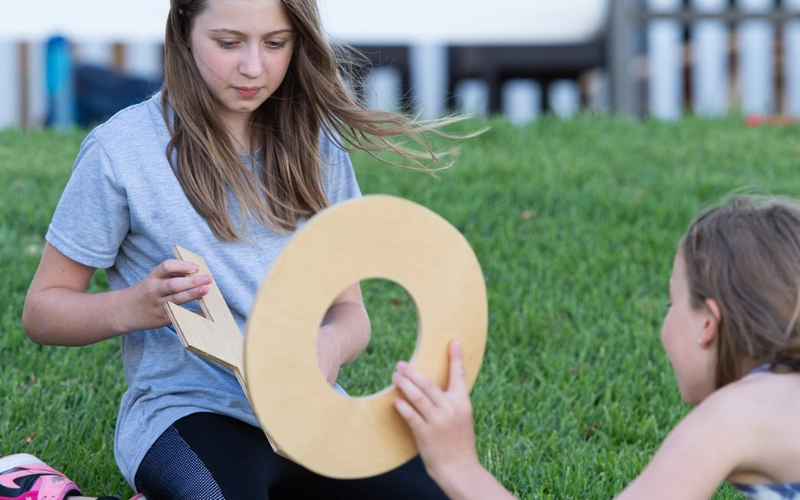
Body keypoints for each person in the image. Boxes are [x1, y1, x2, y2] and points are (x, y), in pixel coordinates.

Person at [15, 0, 466, 498]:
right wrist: (133, 306)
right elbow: (42, 312)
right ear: (184, 27)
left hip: (306, 416)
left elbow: (349, 310)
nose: (253, 67)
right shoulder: (120, 151)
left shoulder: (320, 147)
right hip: (185, 413)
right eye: (228, 43)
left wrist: (329, 346)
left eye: (275, 43)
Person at [392, 195, 800, 500]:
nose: (665, 318)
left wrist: (459, 466)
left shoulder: (730, 417)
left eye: (671, 303)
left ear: (708, 324)